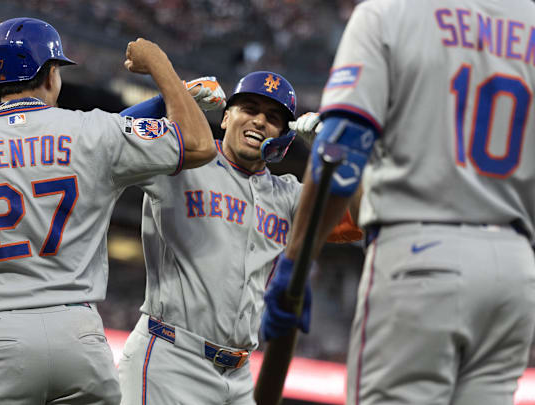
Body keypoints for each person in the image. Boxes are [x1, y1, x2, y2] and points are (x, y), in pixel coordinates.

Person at [261, 1, 535, 404]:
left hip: (418, 252)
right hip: (512, 270)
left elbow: (342, 151)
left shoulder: (387, 15)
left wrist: (298, 257)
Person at [0, 17, 215, 405]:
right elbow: (199, 143)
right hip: (78, 333)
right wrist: (159, 63)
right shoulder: (92, 131)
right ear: (49, 74)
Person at [115, 71, 362, 405]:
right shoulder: (181, 159)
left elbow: (361, 216)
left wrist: (330, 154)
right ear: (226, 117)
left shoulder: (288, 196)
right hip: (171, 360)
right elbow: (106, 143)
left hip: (240, 376)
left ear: (284, 138)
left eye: (273, 118)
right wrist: (170, 98)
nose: (260, 121)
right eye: (250, 109)